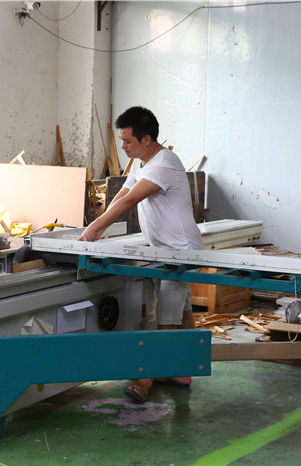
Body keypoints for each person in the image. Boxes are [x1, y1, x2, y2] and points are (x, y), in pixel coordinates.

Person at [78, 106, 203, 403]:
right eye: (121, 140)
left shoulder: (164, 163)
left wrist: (94, 229)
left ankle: (147, 378)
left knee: (166, 318)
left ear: (146, 139)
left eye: (128, 141)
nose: (123, 146)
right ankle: (184, 371)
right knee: (183, 309)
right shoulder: (141, 162)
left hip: (180, 251)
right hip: (163, 249)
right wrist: (99, 227)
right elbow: (121, 195)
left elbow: (132, 200)